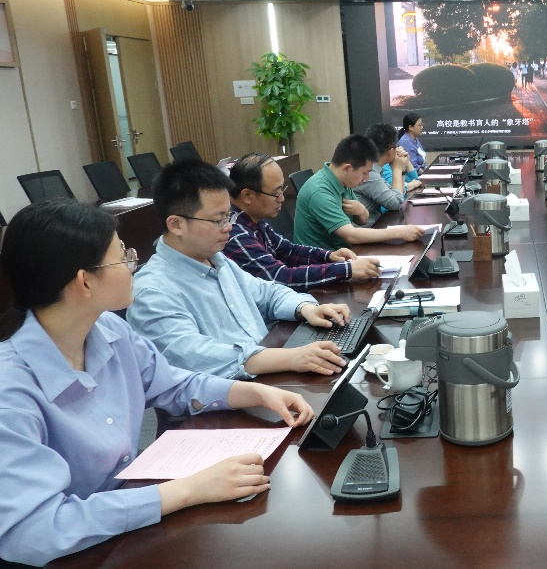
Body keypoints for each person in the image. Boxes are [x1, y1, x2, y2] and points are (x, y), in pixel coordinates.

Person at [0, 201, 314, 566]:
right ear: (84, 281)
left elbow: (173, 385)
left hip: (125, 522)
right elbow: (34, 530)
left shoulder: (108, 329)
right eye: (123, 256)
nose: (134, 263)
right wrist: (187, 490)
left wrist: (254, 392)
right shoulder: (11, 389)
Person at [127, 160, 352, 380]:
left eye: (229, 216)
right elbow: (199, 357)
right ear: (176, 224)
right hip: (224, 398)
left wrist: (305, 308)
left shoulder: (217, 260)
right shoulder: (151, 293)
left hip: (267, 374)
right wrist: (291, 358)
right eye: (218, 220)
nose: (229, 227)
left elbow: (268, 293)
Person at [223, 152, 382, 290]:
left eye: (282, 190)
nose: (282, 198)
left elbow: (288, 250)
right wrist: (346, 270)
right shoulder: (234, 232)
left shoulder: (253, 219)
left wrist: (329, 256)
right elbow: (279, 277)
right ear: (247, 196)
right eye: (276, 193)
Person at [293, 134, 424, 249]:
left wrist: (362, 212)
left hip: (343, 252)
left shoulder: (343, 181)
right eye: (365, 173)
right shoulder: (319, 192)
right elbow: (351, 235)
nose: (366, 178)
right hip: (321, 262)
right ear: (347, 169)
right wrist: (399, 232)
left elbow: (362, 219)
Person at [356, 122, 417, 227]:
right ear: (390, 151)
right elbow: (396, 203)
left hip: (376, 225)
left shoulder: (372, 167)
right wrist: (397, 169)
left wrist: (402, 170)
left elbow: (396, 194)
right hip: (368, 230)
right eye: (396, 146)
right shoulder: (369, 172)